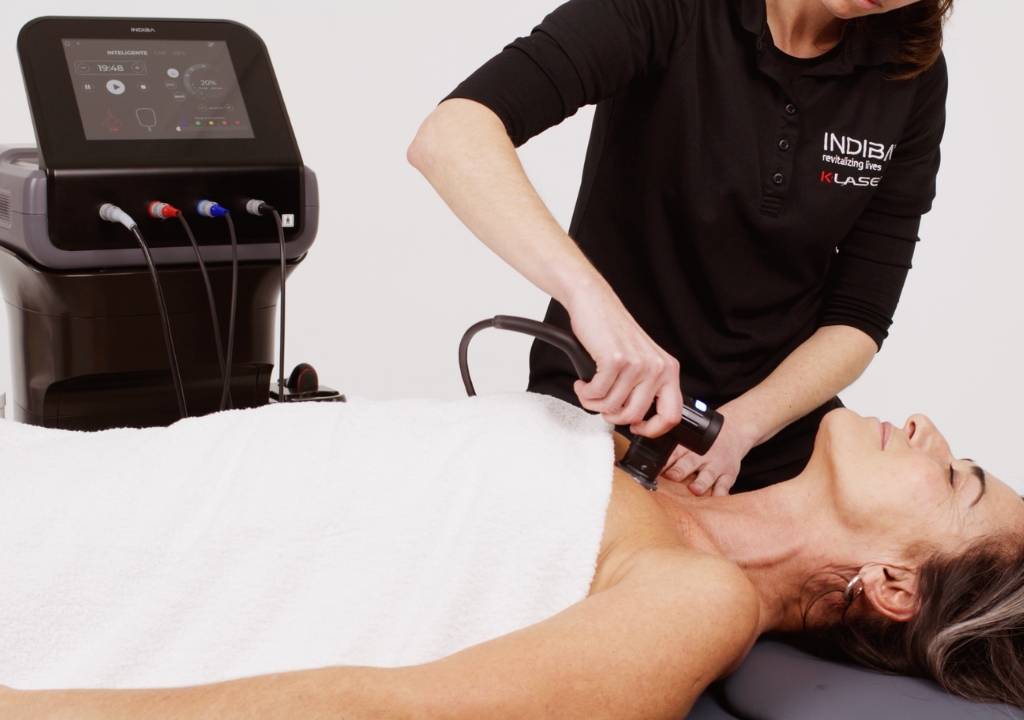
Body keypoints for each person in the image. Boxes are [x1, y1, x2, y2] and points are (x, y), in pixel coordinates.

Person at [2, 401, 1023, 718]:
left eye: (958, 480)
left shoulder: (697, 600)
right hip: (53, 481)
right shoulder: (659, 467)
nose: (931, 430)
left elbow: (380, 713)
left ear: (896, 585)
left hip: (49, 578)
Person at [408, 0, 951, 495]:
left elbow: (859, 315)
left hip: (770, 430)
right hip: (606, 402)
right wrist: (590, 300)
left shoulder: (911, 70)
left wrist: (742, 428)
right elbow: (453, 133)